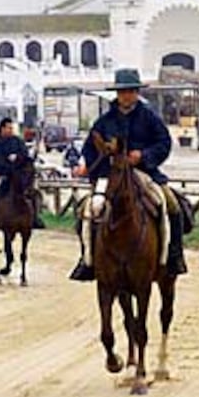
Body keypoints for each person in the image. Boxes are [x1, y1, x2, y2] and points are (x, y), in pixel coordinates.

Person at [69, 68, 187, 282]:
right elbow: (89, 148)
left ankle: (174, 256)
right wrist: (91, 165)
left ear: (137, 92)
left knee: (172, 205)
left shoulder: (150, 117)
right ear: (117, 93)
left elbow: (164, 143)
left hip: (144, 172)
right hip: (111, 175)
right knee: (86, 210)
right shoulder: (104, 120)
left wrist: (143, 155)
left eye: (131, 91)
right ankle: (88, 259)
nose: (127, 95)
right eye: (123, 91)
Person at [0, 117, 45, 228]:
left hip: (18, 176)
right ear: (2, 128)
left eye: (11, 128)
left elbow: (26, 157)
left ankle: (34, 217)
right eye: (9, 128)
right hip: (0, 176)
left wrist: (18, 157)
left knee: (34, 193)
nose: (11, 130)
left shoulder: (18, 142)